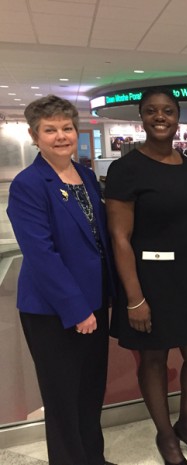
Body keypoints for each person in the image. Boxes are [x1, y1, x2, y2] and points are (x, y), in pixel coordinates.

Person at [105, 88, 187, 465]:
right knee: (153, 358)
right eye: (151, 111)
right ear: (141, 117)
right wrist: (134, 298)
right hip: (149, 277)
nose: (160, 117)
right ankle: (165, 435)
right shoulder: (126, 169)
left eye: (168, 111)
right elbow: (120, 238)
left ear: (177, 117)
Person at [6, 95, 116, 465]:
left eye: (67, 128)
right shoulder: (29, 184)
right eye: (50, 130)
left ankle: (93, 458)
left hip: (94, 300)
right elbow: (42, 254)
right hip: (55, 310)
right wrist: (77, 310)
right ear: (34, 136)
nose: (60, 136)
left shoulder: (85, 176)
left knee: (90, 390)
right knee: (63, 398)